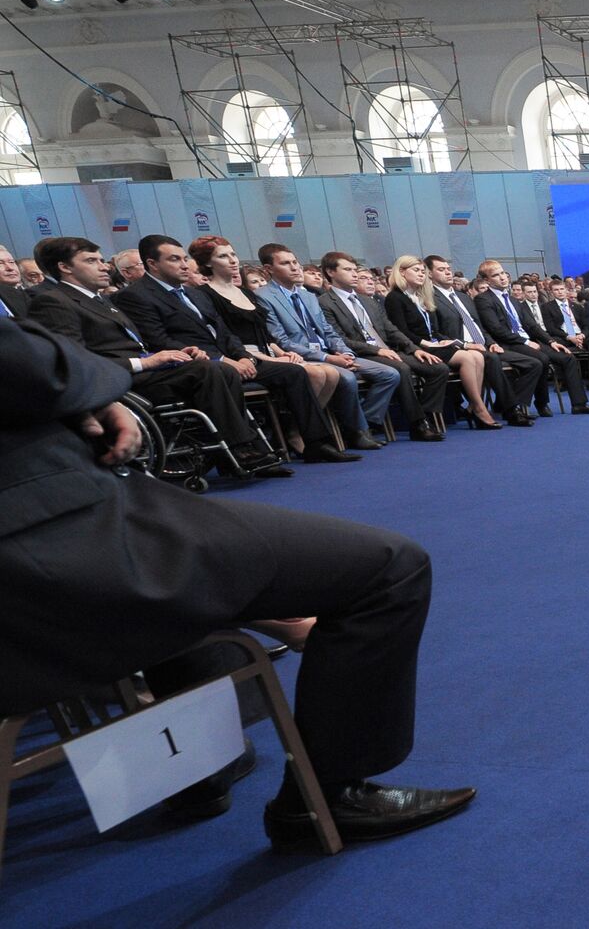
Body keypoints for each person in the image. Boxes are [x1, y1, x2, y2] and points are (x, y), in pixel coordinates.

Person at [0, 317, 477, 848]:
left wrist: (78, 395)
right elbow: (34, 359)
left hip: (49, 522)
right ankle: (326, 797)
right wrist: (90, 390)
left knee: (201, 569)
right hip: (48, 532)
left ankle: (199, 768)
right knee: (390, 566)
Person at [26, 236, 304, 475]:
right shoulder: (54, 302)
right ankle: (242, 450)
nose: (104, 266)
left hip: (150, 370)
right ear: (64, 267)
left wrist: (178, 352)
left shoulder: (99, 300)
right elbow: (73, 360)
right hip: (122, 379)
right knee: (213, 369)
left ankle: (241, 450)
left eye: (101, 260)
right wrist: (144, 362)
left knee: (208, 365)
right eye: (91, 261)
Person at [191, 236, 357, 463]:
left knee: (323, 372)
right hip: (242, 357)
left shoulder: (246, 293)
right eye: (223, 256)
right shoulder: (205, 294)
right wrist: (265, 358)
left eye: (232, 254)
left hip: (267, 351)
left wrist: (281, 353)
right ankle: (307, 438)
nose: (232, 260)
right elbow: (225, 338)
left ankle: (313, 439)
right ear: (208, 263)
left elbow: (266, 334)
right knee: (302, 372)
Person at [251, 242, 395, 451]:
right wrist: (327, 358)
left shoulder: (308, 296)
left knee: (389, 374)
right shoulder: (263, 297)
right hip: (303, 357)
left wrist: (344, 352)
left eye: (295, 262)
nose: (294, 267)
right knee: (346, 378)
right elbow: (281, 340)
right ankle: (355, 431)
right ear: (268, 269)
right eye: (285, 263)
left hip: (332, 353)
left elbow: (328, 331)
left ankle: (361, 421)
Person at [318, 252, 451, 441]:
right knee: (401, 369)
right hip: (362, 353)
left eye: (355, 270)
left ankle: (424, 413)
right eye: (348, 270)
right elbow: (340, 339)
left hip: (387, 350)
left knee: (438, 368)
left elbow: (391, 329)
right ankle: (417, 423)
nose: (354, 274)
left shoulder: (367, 300)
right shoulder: (324, 302)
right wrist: (378, 350)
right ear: (330, 272)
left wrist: (415, 349)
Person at [476, 259, 589, 414]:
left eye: (503, 273)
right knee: (541, 359)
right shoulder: (483, 299)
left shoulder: (512, 300)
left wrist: (550, 341)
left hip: (526, 342)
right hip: (508, 344)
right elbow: (495, 329)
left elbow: (532, 325)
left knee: (567, 357)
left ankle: (579, 404)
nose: (503, 277)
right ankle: (538, 403)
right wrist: (525, 341)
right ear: (486, 280)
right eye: (496, 275)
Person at [424, 255, 536, 427]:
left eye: (448, 269)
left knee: (532, 363)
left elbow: (480, 327)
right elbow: (436, 333)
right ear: (429, 274)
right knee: (492, 359)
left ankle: (489, 405)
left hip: (484, 345)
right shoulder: (430, 298)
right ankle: (511, 410)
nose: (447, 272)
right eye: (441, 270)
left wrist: (491, 342)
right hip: (460, 348)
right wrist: (465, 345)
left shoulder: (463, 297)